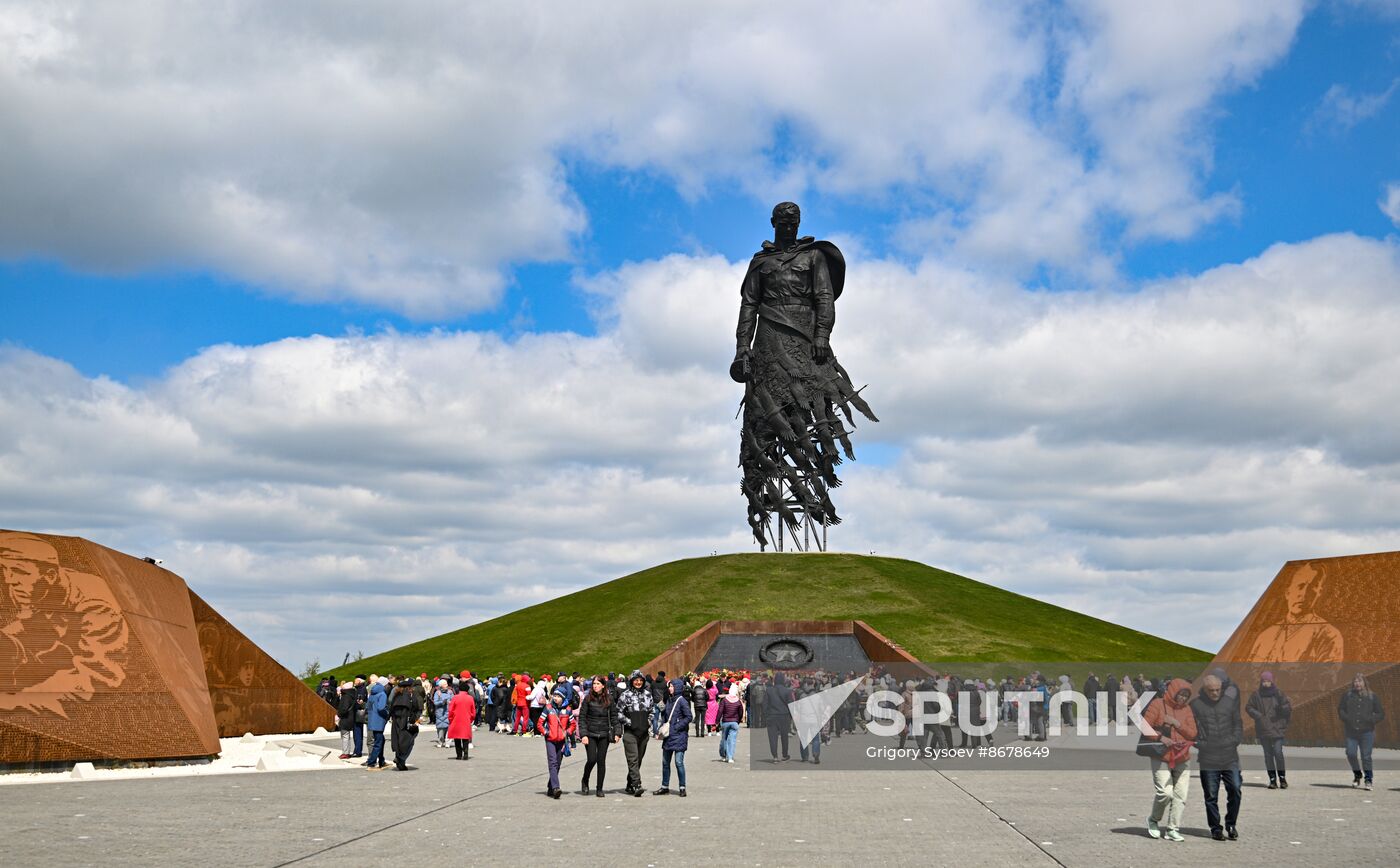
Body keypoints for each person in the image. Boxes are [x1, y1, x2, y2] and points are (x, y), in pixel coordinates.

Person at [1191, 674, 1244, 841]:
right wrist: (1201, 744)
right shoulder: (1195, 705)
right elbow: (1190, 730)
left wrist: (1234, 740)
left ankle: (1231, 823)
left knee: (1235, 789)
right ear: (1205, 690)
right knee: (1211, 796)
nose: (1215, 693)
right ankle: (1215, 828)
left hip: (1229, 756)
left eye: (1217, 690)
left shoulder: (1229, 703)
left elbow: (1238, 725)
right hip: (1208, 758)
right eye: (1211, 690)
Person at [1143, 678, 1196, 843]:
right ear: (1173, 691)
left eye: (1186, 696)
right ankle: (1154, 819)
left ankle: (1173, 828)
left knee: (1180, 795)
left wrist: (1177, 724)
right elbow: (1145, 726)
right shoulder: (1157, 704)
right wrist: (1160, 737)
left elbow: (1193, 733)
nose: (1183, 698)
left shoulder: (1187, 709)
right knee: (1165, 792)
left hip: (1182, 756)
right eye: (1181, 694)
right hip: (1162, 755)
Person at [1338, 673, 1385, 790]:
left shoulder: (1372, 696)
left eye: (1359, 681)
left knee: (1366, 756)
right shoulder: (1347, 695)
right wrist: (1346, 718)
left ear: (1364, 683)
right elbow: (1340, 709)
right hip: (1351, 732)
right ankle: (1357, 774)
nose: (1357, 684)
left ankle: (1368, 779)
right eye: (1355, 681)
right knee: (1351, 753)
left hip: (1367, 732)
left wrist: (1371, 720)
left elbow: (1380, 713)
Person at [1245, 671, 1291, 789]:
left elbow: (1288, 707)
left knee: (1278, 753)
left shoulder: (1278, 693)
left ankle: (1282, 778)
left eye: (1268, 681)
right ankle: (1272, 780)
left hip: (1277, 727)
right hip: (1263, 728)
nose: (1266, 683)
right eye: (1264, 681)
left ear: (1272, 681)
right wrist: (1258, 715)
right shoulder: (1256, 695)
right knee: (1268, 755)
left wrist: (1281, 709)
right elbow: (1249, 707)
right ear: (1261, 682)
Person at [578, 675, 619, 797]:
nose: (595, 686)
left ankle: (599, 788)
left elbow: (614, 717)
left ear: (603, 685)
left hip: (604, 734)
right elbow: (582, 718)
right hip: (590, 733)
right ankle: (585, 780)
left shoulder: (609, 699)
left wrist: (617, 732)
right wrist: (583, 734)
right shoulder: (587, 699)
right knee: (592, 759)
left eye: (597, 684)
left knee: (601, 761)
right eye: (594, 684)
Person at [617, 670, 655, 796]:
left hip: (643, 732)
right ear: (632, 681)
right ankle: (637, 784)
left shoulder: (648, 695)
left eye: (640, 680)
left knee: (639, 759)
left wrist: (647, 722)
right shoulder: (625, 695)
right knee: (632, 759)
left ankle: (630, 783)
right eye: (636, 680)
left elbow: (652, 711)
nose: (638, 682)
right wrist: (630, 722)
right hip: (630, 732)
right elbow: (618, 713)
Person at [654, 677, 693, 797]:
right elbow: (665, 717)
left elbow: (689, 717)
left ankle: (682, 787)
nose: (669, 688)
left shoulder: (682, 701)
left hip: (679, 736)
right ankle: (664, 786)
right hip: (669, 737)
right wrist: (659, 730)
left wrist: (676, 727)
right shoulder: (669, 700)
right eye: (669, 686)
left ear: (677, 688)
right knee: (665, 762)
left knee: (678, 762)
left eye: (672, 686)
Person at [537, 688, 577, 799]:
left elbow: (573, 724)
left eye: (558, 696)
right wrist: (546, 732)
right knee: (553, 762)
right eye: (554, 696)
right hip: (550, 739)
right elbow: (539, 723)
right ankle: (556, 788)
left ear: (563, 698)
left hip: (561, 740)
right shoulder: (548, 708)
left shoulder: (568, 710)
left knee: (558, 764)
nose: (555, 698)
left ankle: (550, 786)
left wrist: (567, 733)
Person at [389, 675, 422, 771]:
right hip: (407, 722)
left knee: (399, 741)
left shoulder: (396, 695)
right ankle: (401, 759)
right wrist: (416, 719)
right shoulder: (410, 697)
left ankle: (400, 761)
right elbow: (416, 708)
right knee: (409, 742)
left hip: (396, 722)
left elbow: (391, 707)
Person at [764, 673, 795, 761]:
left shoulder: (769, 690)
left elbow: (765, 704)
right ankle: (784, 755)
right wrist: (791, 716)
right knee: (784, 736)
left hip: (772, 715)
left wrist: (767, 715)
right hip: (784, 716)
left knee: (772, 736)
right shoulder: (787, 691)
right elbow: (791, 705)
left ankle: (775, 756)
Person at [364, 678, 389, 770]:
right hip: (379, 720)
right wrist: (387, 713)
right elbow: (381, 708)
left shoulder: (372, 693)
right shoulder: (382, 694)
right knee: (378, 742)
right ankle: (371, 763)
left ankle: (381, 761)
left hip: (372, 720)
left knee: (381, 740)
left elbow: (367, 706)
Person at [447, 680, 476, 760]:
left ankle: (459, 755)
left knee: (457, 737)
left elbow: (451, 710)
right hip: (466, 719)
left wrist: (450, 719)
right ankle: (466, 754)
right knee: (465, 737)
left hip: (456, 719)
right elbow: (473, 710)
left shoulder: (455, 698)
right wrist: (471, 718)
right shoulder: (470, 698)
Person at [717, 682, 744, 763]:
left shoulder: (725, 700)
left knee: (724, 739)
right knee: (732, 740)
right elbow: (741, 712)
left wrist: (717, 721)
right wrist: (738, 721)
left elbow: (720, 711)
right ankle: (730, 757)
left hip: (725, 721)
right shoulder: (738, 701)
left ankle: (723, 755)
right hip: (734, 722)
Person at [335, 682, 357, 759]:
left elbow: (344, 709)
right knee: (346, 735)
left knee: (344, 735)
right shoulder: (352, 695)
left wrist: (339, 714)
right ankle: (346, 752)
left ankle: (345, 753)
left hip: (345, 718)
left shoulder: (346, 696)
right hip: (350, 717)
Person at [431, 679, 453, 747]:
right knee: (440, 728)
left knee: (449, 727)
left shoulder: (450, 692)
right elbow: (435, 702)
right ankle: (441, 741)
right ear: (441, 686)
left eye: (446, 684)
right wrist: (442, 702)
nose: (447, 685)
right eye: (445, 684)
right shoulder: (437, 693)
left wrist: (450, 703)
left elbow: (453, 701)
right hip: (440, 713)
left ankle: (448, 742)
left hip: (448, 712)